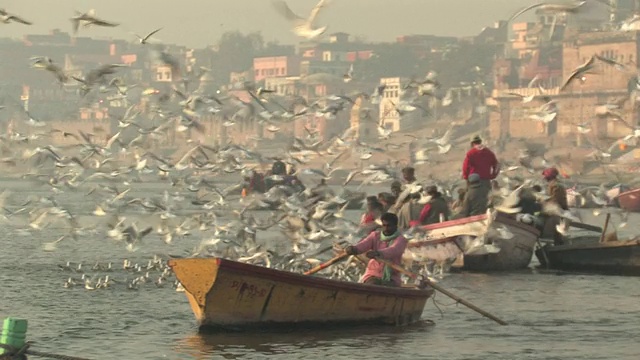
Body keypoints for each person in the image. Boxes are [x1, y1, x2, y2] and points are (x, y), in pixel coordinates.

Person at [344, 213, 408, 287]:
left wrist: (378, 253)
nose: (386, 228)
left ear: (395, 226)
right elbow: (363, 245)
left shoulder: (401, 240)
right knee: (373, 284)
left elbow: (393, 250)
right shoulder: (375, 236)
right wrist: (354, 249)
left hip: (392, 277)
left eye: (389, 226)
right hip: (373, 274)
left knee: (387, 287)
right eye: (384, 225)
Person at [541, 167, 568, 245]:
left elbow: (556, 200)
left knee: (556, 233)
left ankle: (559, 247)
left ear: (548, 176)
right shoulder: (552, 184)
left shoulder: (556, 186)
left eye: (545, 176)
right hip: (556, 211)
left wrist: (543, 203)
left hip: (557, 211)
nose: (544, 178)